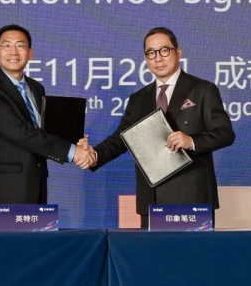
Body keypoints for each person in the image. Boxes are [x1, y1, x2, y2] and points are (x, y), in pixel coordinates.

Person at [85, 26, 235, 228]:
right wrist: (94, 155)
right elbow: (121, 139)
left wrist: (191, 141)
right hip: (152, 200)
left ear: (178, 52)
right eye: (151, 53)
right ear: (145, 58)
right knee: (153, 250)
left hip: (192, 197)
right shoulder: (138, 99)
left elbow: (225, 133)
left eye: (164, 50)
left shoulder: (202, 89)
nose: (158, 58)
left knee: (194, 250)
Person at [0, 24, 93, 229]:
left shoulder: (36, 88)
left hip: (36, 192)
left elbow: (43, 132)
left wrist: (74, 141)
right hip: (5, 196)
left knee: (36, 249)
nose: (13, 51)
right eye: (6, 45)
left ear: (30, 53)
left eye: (20, 45)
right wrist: (72, 151)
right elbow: (20, 133)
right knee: (8, 251)